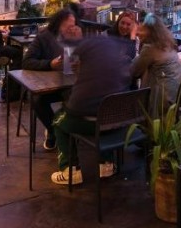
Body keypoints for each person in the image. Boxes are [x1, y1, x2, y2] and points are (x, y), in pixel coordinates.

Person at [50, 36, 133, 185]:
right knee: (104, 115)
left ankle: (70, 171)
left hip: (94, 124)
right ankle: (106, 164)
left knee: (58, 119)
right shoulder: (120, 69)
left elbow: (74, 109)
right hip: (118, 123)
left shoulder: (88, 80)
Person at [22, 8, 82, 150]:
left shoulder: (76, 37)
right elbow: (26, 62)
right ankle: (53, 130)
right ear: (59, 24)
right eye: (69, 26)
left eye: (73, 26)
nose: (72, 29)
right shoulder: (43, 38)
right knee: (36, 99)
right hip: (49, 85)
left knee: (78, 97)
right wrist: (50, 64)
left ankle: (71, 131)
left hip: (71, 83)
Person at [130, 13, 181, 117]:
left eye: (141, 30)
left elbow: (134, 70)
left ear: (151, 32)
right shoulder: (167, 43)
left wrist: (132, 40)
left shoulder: (150, 48)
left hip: (162, 102)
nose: (138, 33)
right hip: (179, 96)